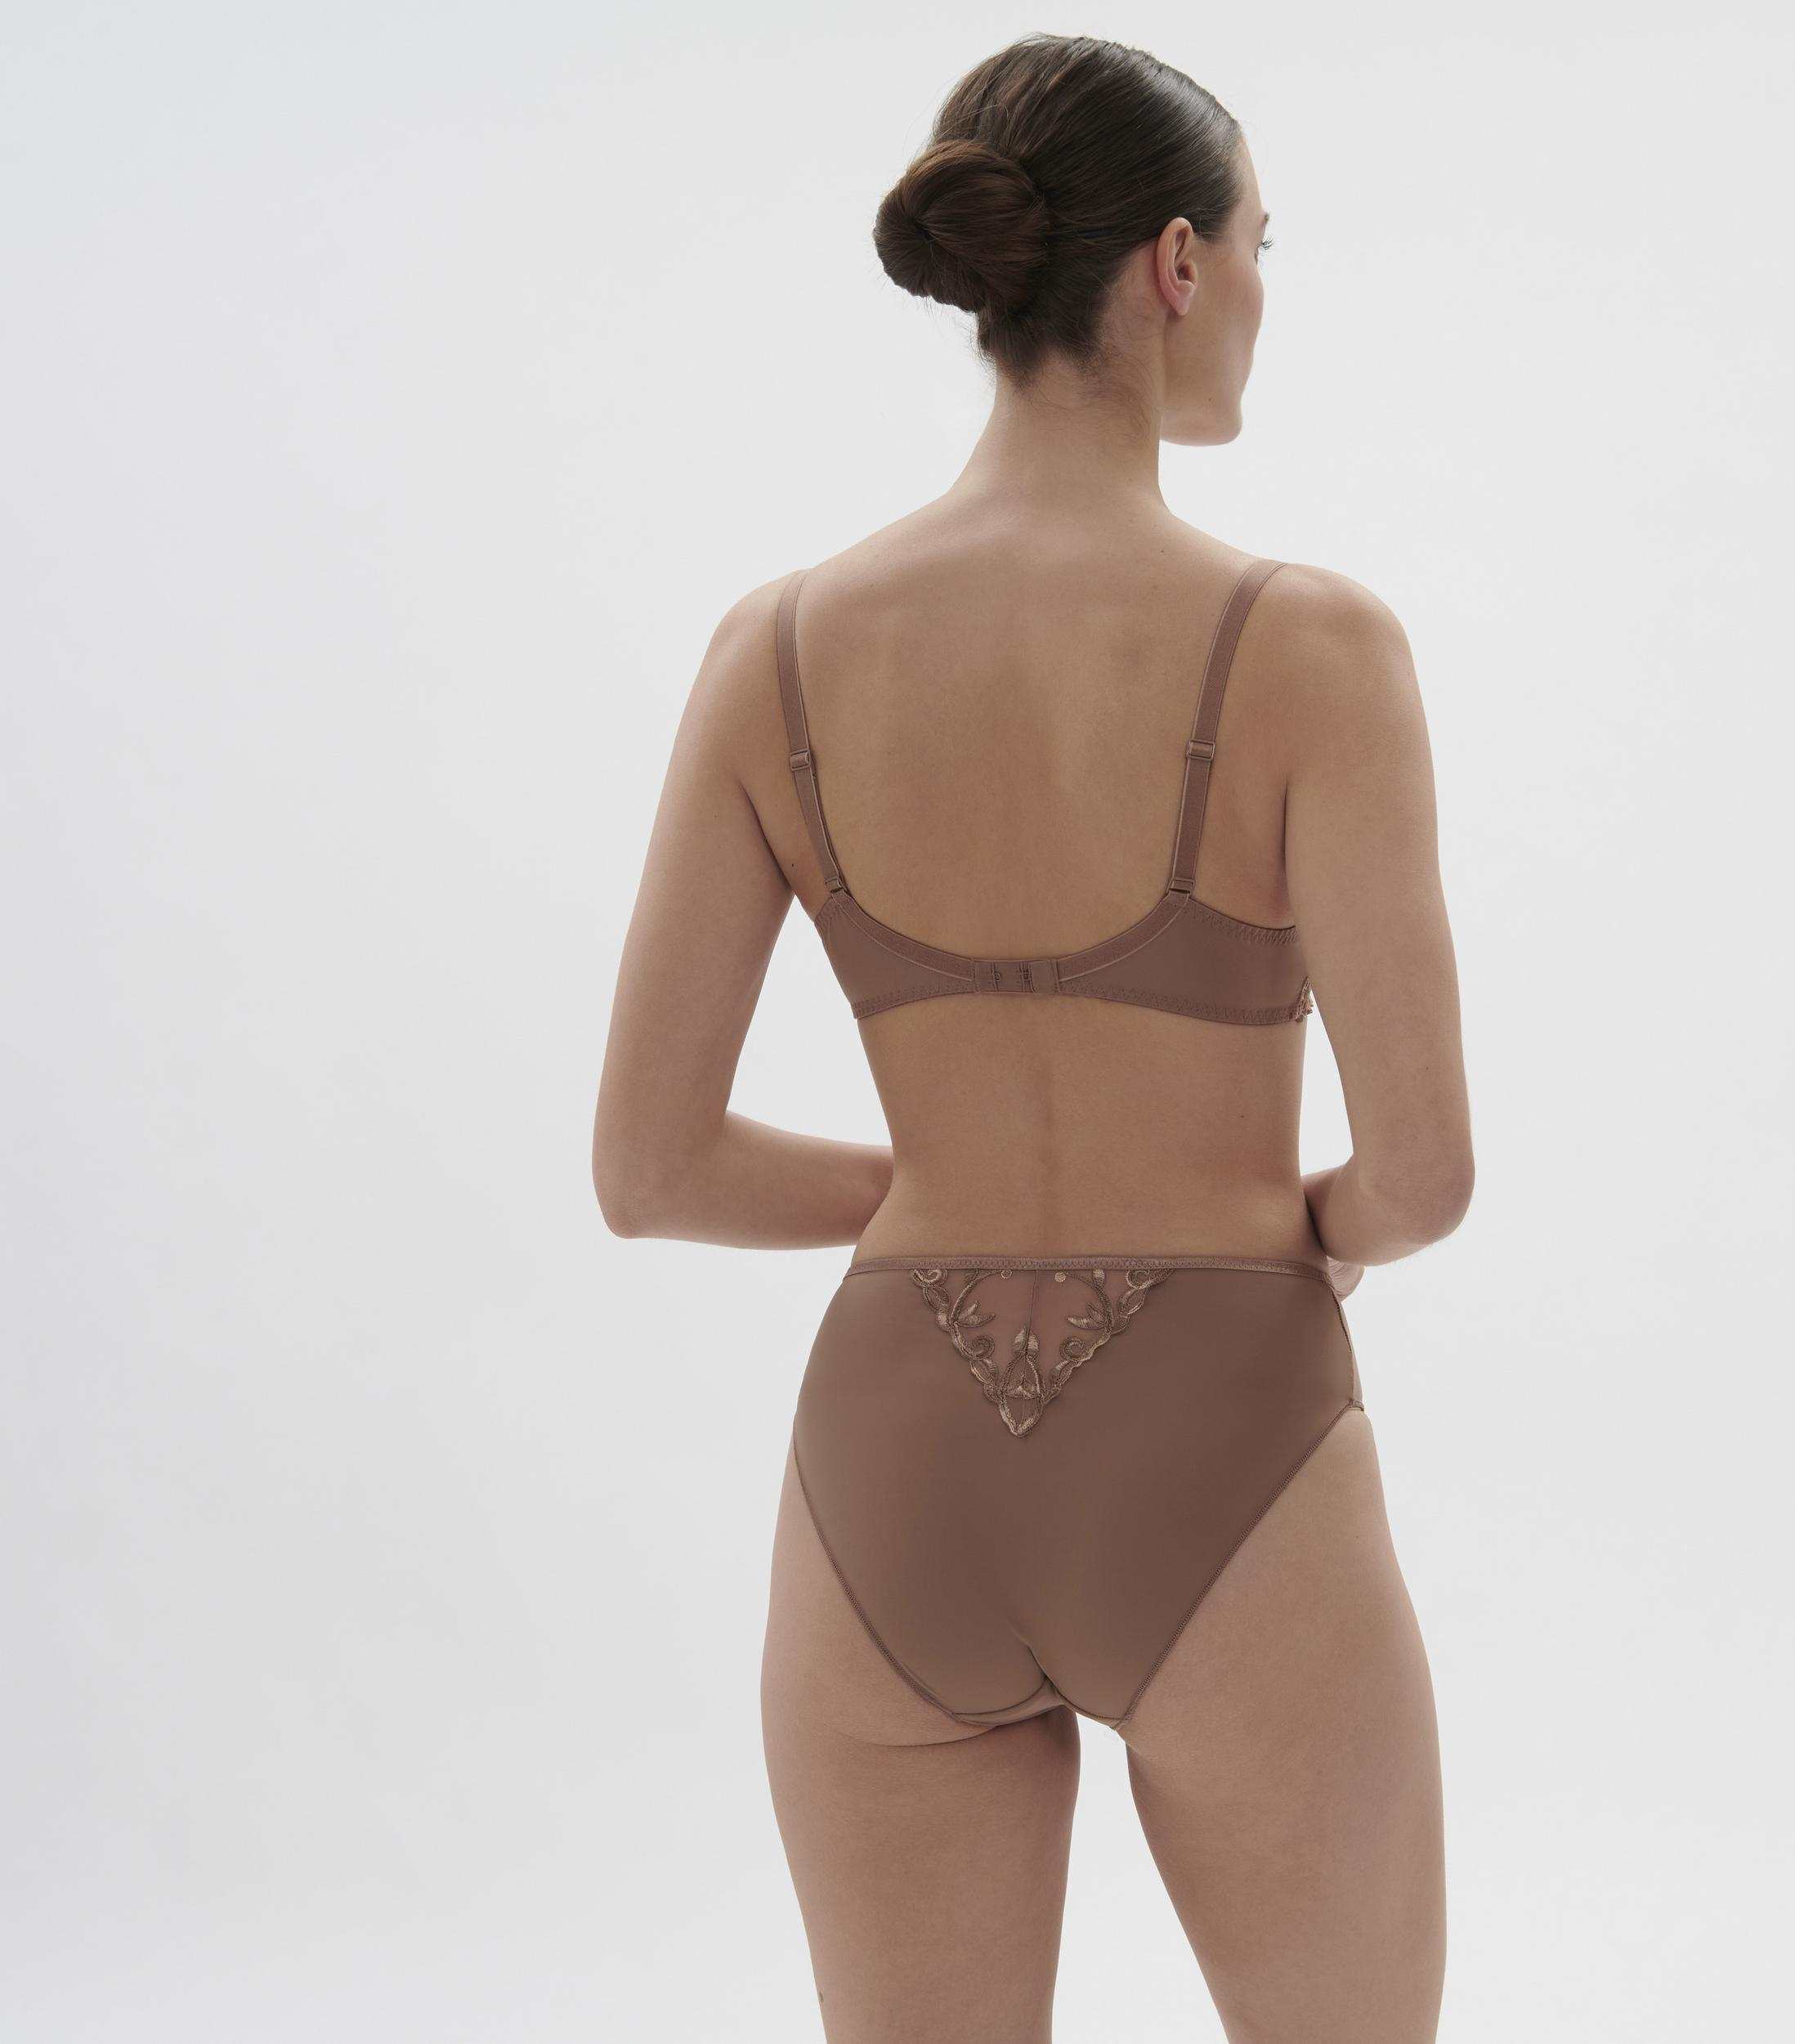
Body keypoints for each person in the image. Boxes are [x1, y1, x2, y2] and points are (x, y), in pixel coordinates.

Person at [593, 32, 1472, 2043]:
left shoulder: (770, 651)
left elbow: (649, 1171)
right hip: (1225, 1438)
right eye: (1260, 245)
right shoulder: (1311, 646)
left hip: (891, 1459)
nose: (1261, 290)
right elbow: (1421, 1177)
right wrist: (1282, 1222)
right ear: (1174, 264)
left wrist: (943, 1183)